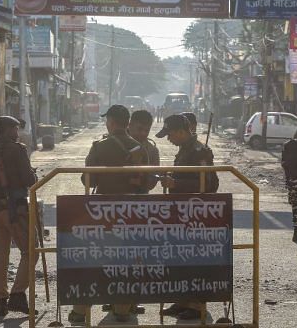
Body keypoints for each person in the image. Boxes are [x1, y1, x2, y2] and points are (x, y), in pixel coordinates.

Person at [70, 104, 148, 323]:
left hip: (102, 212)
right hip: (132, 211)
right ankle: (122, 309)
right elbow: (148, 182)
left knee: (94, 259)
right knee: (126, 260)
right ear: (127, 123)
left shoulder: (100, 146)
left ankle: (80, 310)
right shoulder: (140, 149)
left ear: (111, 122)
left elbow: (88, 180)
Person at [156, 114, 218, 320]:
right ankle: (182, 300)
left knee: (195, 260)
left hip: (196, 214)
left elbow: (209, 184)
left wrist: (176, 184)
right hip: (181, 213)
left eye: (170, 134)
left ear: (181, 132)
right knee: (180, 259)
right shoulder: (185, 149)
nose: (168, 139)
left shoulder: (200, 151)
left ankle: (196, 304)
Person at [0, 116, 38, 316]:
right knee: (32, 251)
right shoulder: (17, 150)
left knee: (1, 256)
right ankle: (18, 294)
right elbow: (29, 179)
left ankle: (0, 300)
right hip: (16, 209)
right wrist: (34, 174)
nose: (17, 132)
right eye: (15, 128)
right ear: (7, 130)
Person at [128, 109, 160, 192]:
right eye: (139, 129)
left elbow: (152, 183)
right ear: (130, 125)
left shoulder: (152, 150)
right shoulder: (113, 144)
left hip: (141, 200)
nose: (143, 133)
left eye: (147, 130)